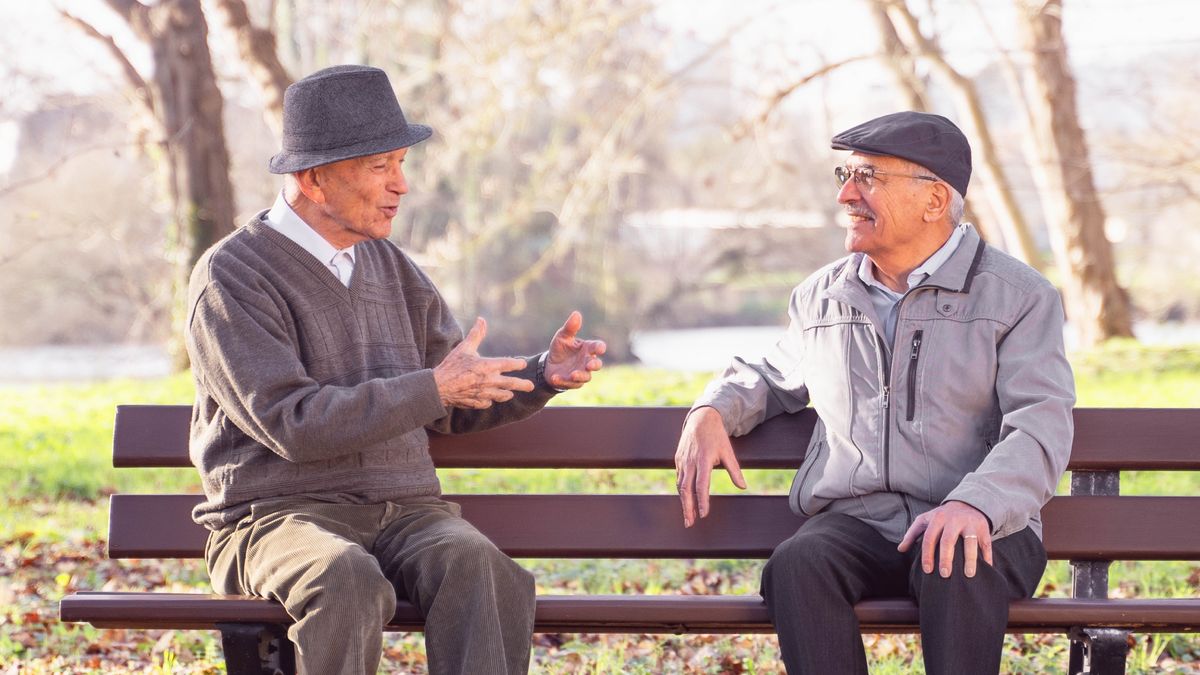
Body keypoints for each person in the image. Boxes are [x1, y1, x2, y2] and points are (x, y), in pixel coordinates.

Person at [185, 65, 606, 675]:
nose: (401, 185)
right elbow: (291, 423)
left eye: (402, 164)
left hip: (407, 514)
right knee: (344, 579)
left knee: (485, 569)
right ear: (314, 178)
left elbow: (451, 400)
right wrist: (431, 388)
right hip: (276, 518)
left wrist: (543, 376)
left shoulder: (391, 266)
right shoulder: (232, 276)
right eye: (381, 166)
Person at [673, 111, 1075, 674]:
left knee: (955, 563)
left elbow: (1040, 424)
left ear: (934, 200)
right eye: (846, 175)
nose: (845, 195)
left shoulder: (1018, 297)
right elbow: (771, 373)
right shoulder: (822, 295)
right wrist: (713, 409)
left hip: (985, 522)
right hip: (861, 523)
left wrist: (975, 504)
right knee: (798, 564)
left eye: (867, 178)